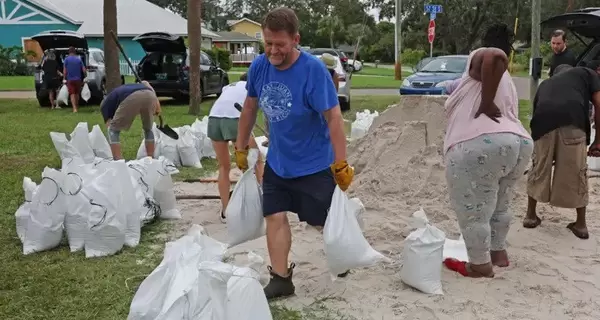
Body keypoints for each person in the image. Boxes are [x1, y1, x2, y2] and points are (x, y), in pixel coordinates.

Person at [233, 7, 354, 300]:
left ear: (295, 39)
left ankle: (344, 251)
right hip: (278, 161)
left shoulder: (312, 71)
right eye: (268, 43)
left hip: (314, 164)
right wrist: (240, 146)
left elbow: (334, 118)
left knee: (322, 221)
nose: (273, 50)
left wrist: (340, 162)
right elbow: (250, 107)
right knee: (274, 215)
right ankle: (281, 278)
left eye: (280, 44)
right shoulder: (260, 66)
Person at [442, 24, 533, 278]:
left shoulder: (482, 55)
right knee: (500, 204)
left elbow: (494, 55)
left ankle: (479, 265)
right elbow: (462, 85)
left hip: (480, 142)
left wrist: (485, 102)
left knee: (474, 209)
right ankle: (498, 254)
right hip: (518, 143)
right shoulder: (507, 82)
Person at [523, 62, 600, 239]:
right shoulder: (587, 73)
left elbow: (536, 114)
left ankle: (530, 215)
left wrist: (548, 151)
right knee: (578, 171)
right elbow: (598, 103)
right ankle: (580, 224)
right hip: (573, 123)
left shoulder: (546, 84)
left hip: (543, 125)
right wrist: (597, 141)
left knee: (539, 166)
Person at [207, 72, 264, 223]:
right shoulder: (252, 88)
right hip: (234, 120)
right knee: (257, 160)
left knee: (224, 167)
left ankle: (226, 212)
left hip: (213, 120)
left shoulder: (228, 87)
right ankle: (261, 201)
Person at [100, 81, 161, 160]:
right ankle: (150, 158)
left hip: (132, 97)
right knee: (148, 129)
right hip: (150, 94)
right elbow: (146, 83)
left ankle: (118, 161)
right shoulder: (119, 92)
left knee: (113, 130)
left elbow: (109, 126)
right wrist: (157, 103)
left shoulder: (104, 106)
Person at [63, 46, 87, 112]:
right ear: (74, 52)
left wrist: (64, 78)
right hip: (78, 79)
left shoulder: (66, 60)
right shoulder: (79, 59)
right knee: (77, 93)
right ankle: (77, 105)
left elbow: (65, 71)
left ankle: (74, 108)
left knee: (72, 94)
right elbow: (84, 70)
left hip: (70, 79)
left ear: (69, 52)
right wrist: (85, 77)